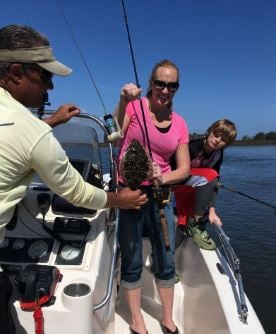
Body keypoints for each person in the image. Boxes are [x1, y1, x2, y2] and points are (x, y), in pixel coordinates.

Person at [0, 24, 147, 334]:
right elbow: (76, 192)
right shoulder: (33, 132)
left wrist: (51, 121)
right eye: (45, 76)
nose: (50, 88)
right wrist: (121, 199)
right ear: (15, 72)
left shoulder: (29, 126)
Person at [113, 60, 190, 334]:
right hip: (130, 191)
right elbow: (115, 134)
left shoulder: (180, 123)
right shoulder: (133, 108)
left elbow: (184, 169)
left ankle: (167, 318)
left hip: (161, 195)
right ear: (150, 83)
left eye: (172, 85)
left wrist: (163, 177)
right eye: (160, 83)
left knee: (166, 258)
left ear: (176, 89)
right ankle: (137, 320)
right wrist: (123, 100)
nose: (165, 90)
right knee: (131, 256)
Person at [174, 119, 237, 250]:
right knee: (209, 177)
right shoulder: (193, 147)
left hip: (195, 184)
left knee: (183, 220)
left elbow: (215, 181)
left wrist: (212, 210)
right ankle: (196, 222)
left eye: (223, 140)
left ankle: (171, 261)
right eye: (216, 134)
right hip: (175, 182)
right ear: (209, 131)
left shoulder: (218, 153)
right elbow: (176, 170)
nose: (218, 140)